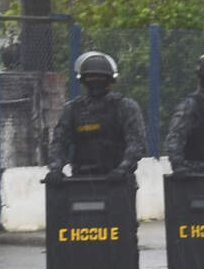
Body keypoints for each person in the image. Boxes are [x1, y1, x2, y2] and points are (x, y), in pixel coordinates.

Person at [47, 51, 146, 183]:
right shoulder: (72, 109)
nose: (95, 82)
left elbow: (137, 143)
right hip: (80, 179)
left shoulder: (125, 107)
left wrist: (123, 169)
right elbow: (59, 142)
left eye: (100, 78)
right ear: (83, 80)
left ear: (110, 80)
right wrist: (55, 169)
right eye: (91, 78)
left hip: (117, 181)